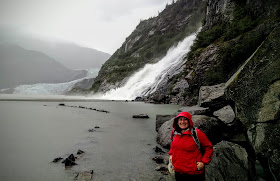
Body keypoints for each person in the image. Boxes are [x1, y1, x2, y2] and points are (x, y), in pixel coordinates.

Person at [169, 112, 213, 181]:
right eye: (180, 119)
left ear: (189, 121)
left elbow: (209, 147)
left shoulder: (196, 133)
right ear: (177, 121)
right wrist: (171, 154)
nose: (182, 122)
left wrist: (204, 162)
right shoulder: (174, 132)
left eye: (185, 119)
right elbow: (173, 144)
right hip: (179, 171)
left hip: (194, 173)